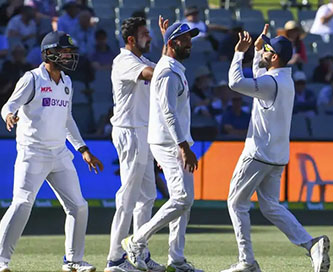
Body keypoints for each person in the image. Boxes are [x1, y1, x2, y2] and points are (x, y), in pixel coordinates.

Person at [221, 24, 330, 272]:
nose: (263, 54)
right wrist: (259, 50)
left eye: (267, 51)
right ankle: (311, 244)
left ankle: (247, 262)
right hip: (277, 156)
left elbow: (235, 83)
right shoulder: (284, 79)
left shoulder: (271, 83)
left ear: (276, 57)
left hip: (257, 153)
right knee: (270, 205)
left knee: (236, 204)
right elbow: (260, 77)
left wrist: (240, 53)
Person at [0, 30, 104, 272]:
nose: (68, 56)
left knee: (79, 206)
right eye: (64, 52)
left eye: (70, 52)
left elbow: (68, 120)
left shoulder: (67, 83)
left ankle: (73, 261)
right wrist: (9, 116)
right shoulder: (32, 79)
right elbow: (8, 105)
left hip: (59, 154)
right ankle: (1, 260)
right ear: (49, 53)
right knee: (22, 203)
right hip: (32, 153)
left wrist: (83, 149)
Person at [121, 22, 204, 272]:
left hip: (174, 142)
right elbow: (168, 112)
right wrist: (182, 146)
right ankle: (136, 240)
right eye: (184, 39)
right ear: (171, 44)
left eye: (190, 38)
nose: (189, 43)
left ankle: (176, 260)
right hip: (170, 143)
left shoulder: (172, 67)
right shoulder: (167, 72)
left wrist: (183, 144)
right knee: (181, 198)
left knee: (185, 202)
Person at [105, 16, 168, 272]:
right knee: (127, 197)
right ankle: (114, 258)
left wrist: (167, 44)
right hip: (129, 132)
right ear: (131, 39)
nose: (149, 37)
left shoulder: (142, 59)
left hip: (143, 132)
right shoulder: (124, 61)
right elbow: (156, 74)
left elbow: (163, 70)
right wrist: (168, 46)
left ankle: (138, 253)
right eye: (145, 34)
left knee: (147, 197)